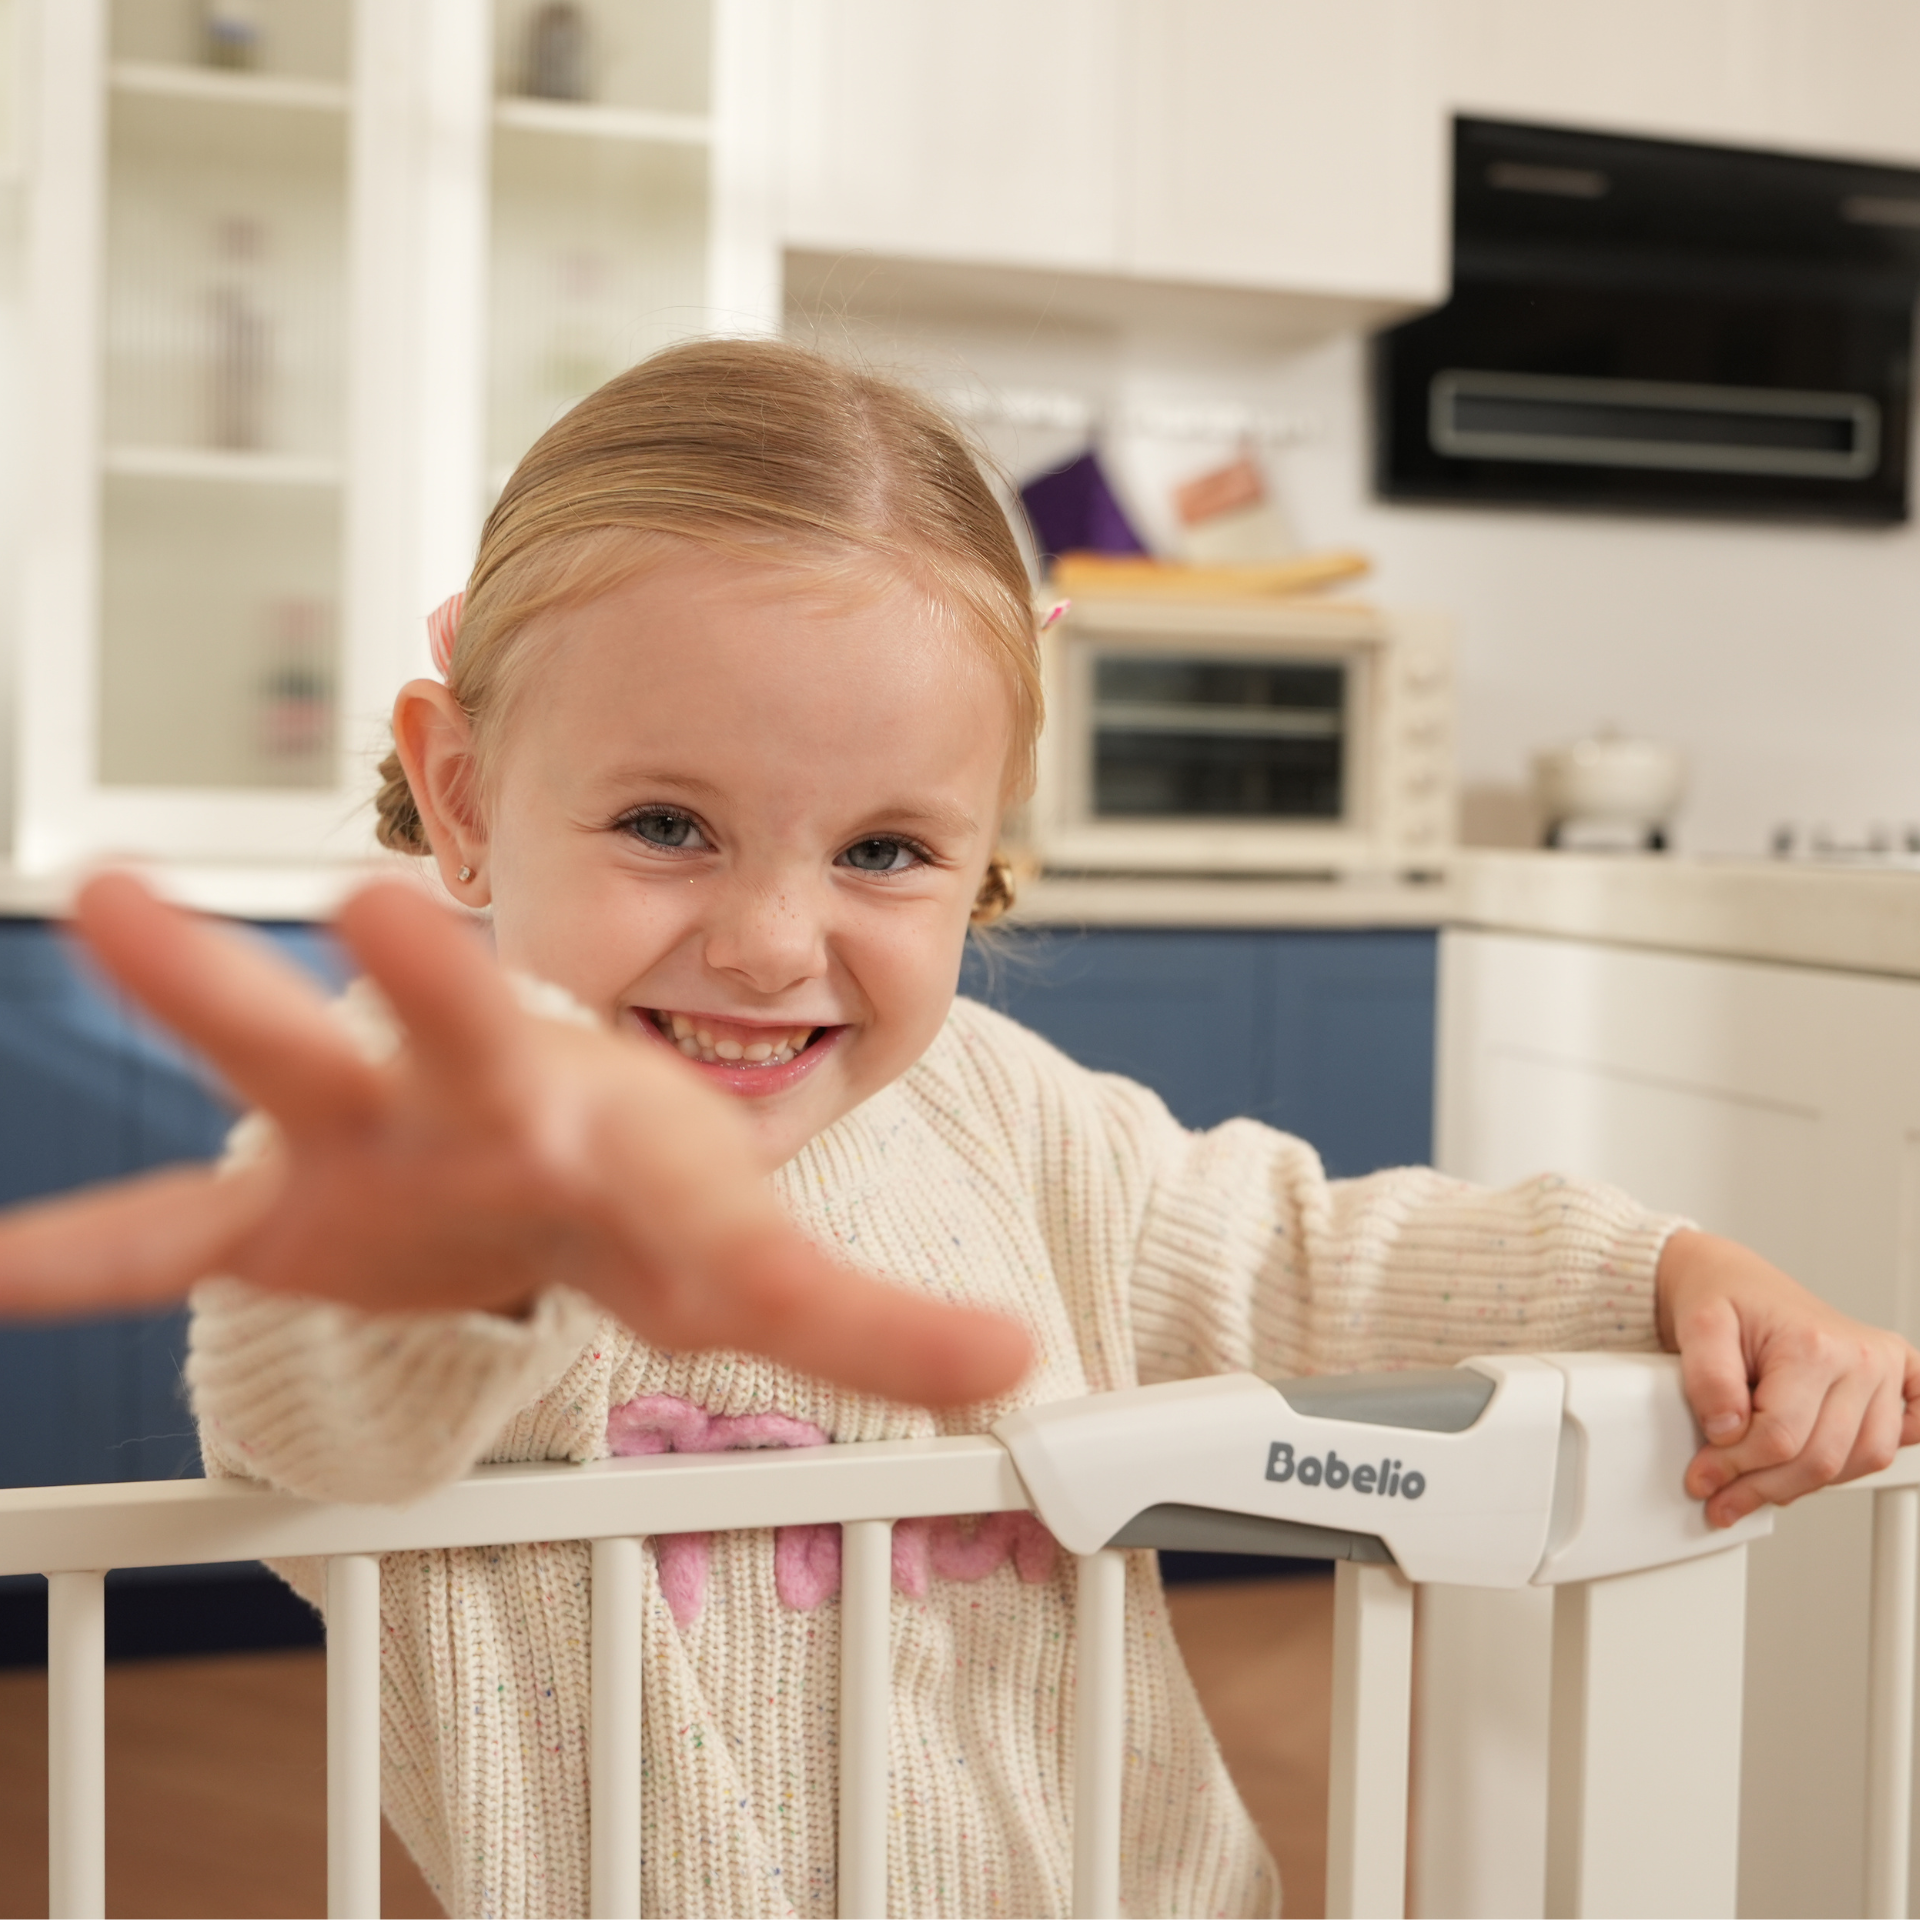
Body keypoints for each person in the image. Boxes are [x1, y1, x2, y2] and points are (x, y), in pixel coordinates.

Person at [0, 338, 1912, 1918]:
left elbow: (1308, 1253)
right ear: (468, 793)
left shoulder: (999, 1114)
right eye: (666, 824)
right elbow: (315, 1387)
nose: (767, 944)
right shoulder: (452, 1124)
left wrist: (1664, 1270)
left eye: (886, 850)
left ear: (986, 858)